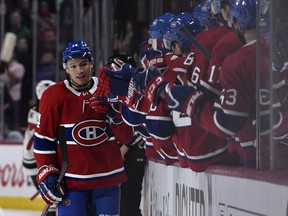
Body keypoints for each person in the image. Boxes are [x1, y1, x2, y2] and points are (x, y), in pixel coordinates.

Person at [33, 40, 133, 215]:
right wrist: (47, 172)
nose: (79, 70)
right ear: (66, 68)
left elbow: (127, 137)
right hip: (71, 183)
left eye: (83, 64)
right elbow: (43, 141)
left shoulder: (109, 89)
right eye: (73, 66)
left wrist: (113, 114)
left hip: (107, 180)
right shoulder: (53, 96)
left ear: (92, 64)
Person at [22, 80, 56, 216]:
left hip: (31, 157)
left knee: (51, 200)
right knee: (52, 202)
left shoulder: (35, 109)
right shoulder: (45, 110)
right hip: (39, 157)